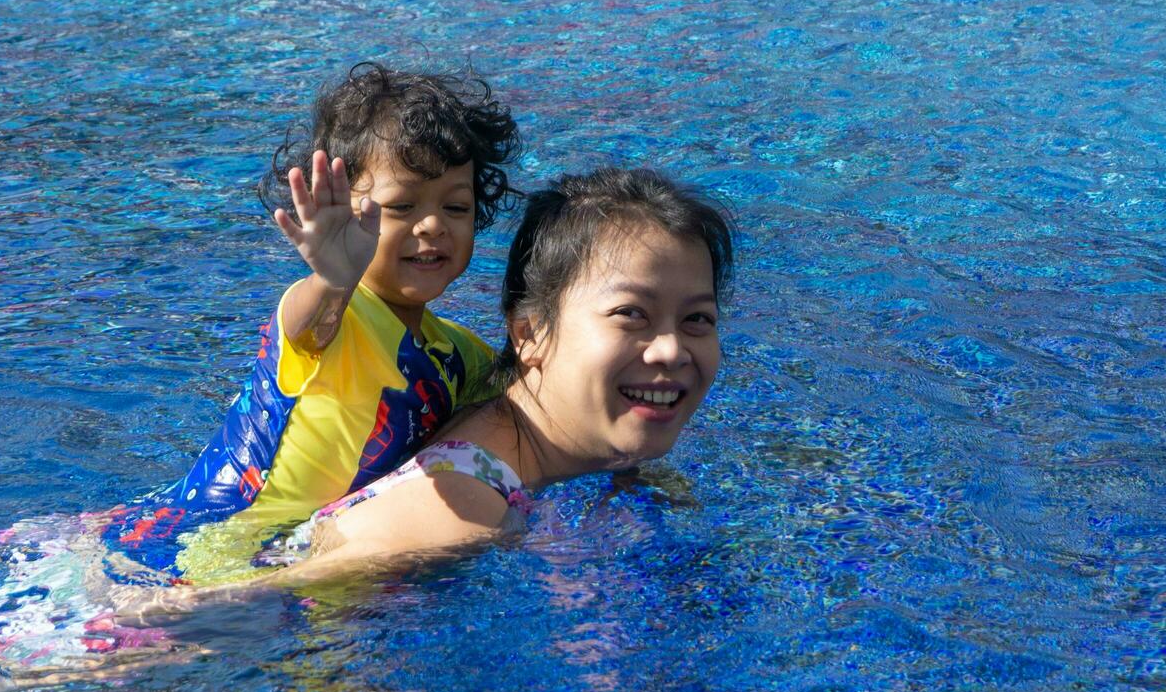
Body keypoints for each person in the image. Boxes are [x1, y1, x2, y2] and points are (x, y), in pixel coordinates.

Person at [107, 166, 734, 620]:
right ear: (530, 333)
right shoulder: (463, 507)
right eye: (631, 314)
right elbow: (234, 606)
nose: (672, 350)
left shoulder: (505, 415)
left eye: (697, 320)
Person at [101, 62, 521, 584]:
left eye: (456, 206)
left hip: (295, 553)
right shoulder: (338, 316)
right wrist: (334, 279)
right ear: (343, 208)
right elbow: (307, 325)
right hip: (202, 549)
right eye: (402, 205)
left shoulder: (457, 353)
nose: (433, 224)